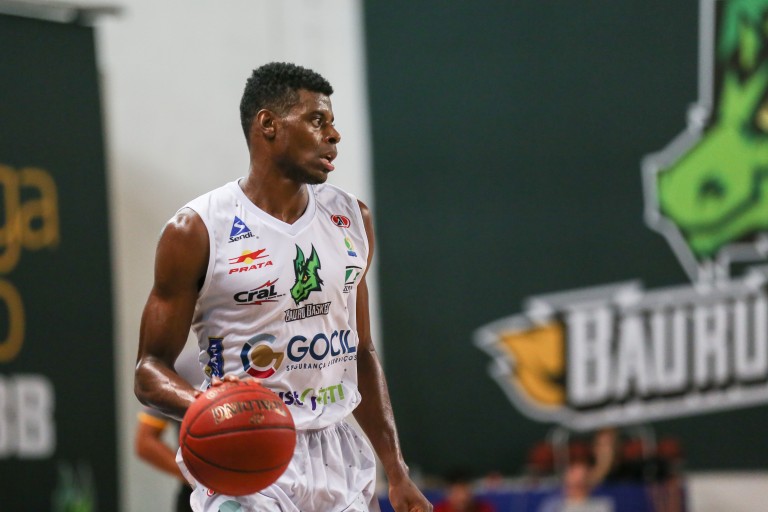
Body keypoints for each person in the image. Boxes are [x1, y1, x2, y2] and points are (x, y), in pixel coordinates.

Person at [134, 62, 432, 512]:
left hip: (338, 453)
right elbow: (148, 369)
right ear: (268, 125)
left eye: (332, 122)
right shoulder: (197, 229)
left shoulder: (352, 218)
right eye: (317, 120)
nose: (334, 135)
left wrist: (396, 469)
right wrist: (211, 408)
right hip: (247, 452)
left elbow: (361, 351)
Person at [135, 341, 204, 512]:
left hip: (261, 489)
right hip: (197, 496)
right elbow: (145, 441)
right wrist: (195, 478)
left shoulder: (264, 362)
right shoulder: (184, 366)